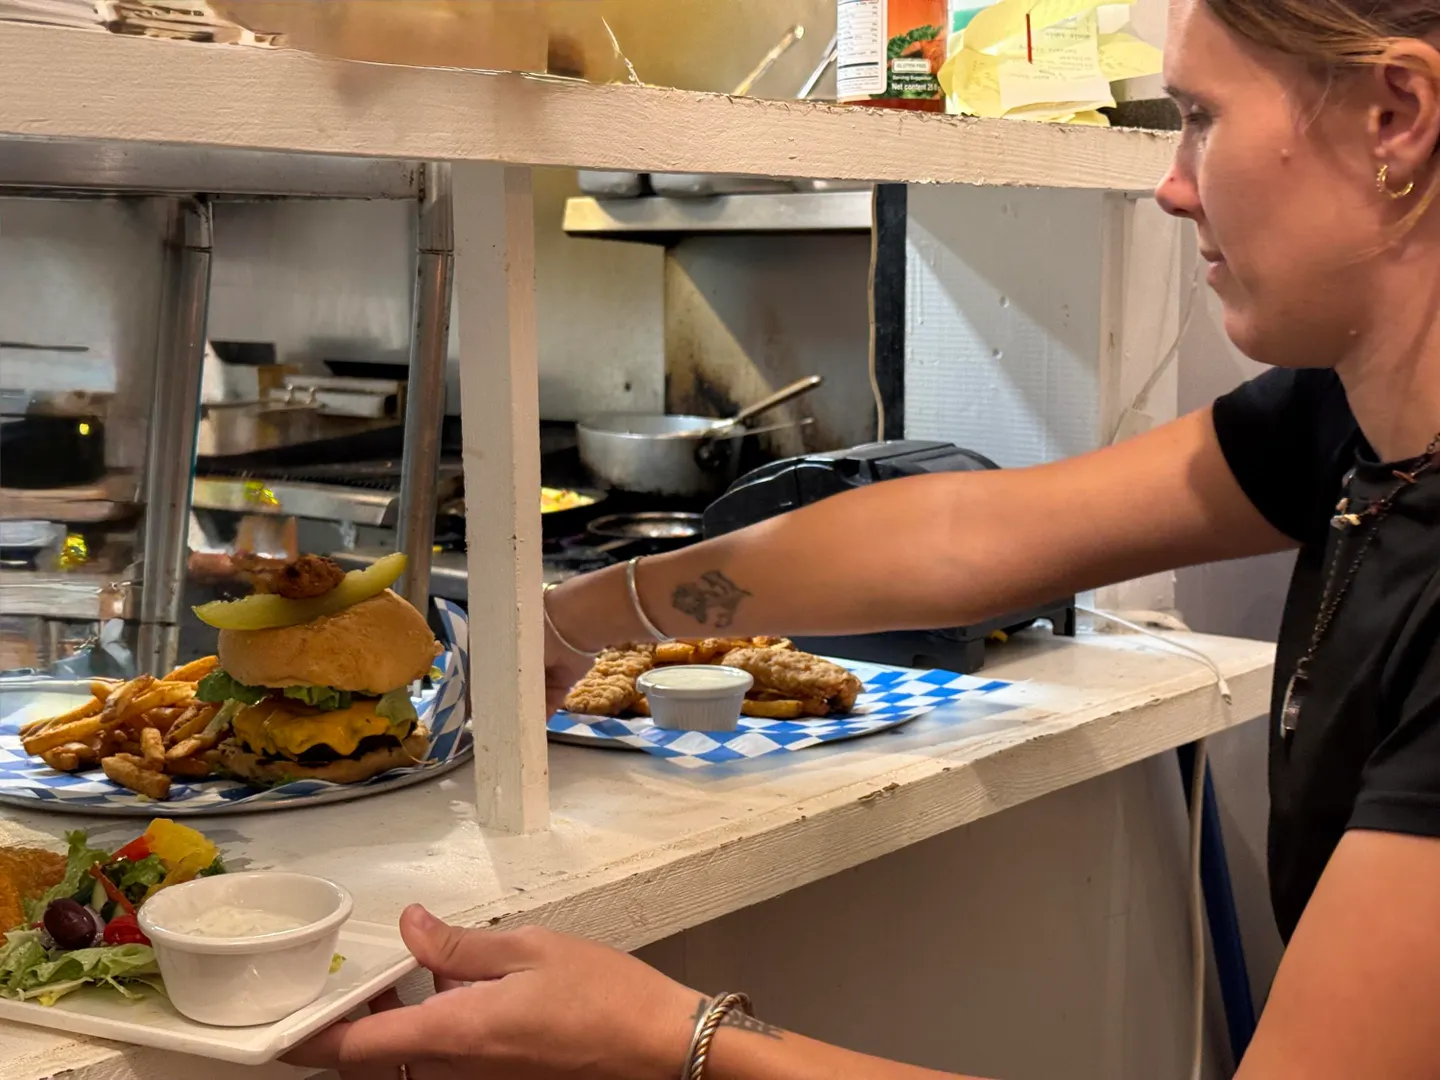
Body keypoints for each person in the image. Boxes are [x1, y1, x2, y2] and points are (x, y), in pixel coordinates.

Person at [289, 0, 1440, 1075]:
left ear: (1395, 115)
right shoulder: (1344, 420)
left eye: (1201, 117)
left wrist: (668, 1036)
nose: (1172, 187)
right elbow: (966, 537)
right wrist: (579, 614)